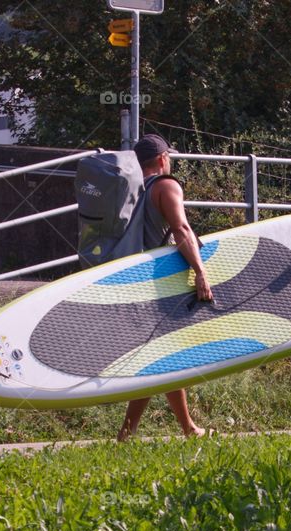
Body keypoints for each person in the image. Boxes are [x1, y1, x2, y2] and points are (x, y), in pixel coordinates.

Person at [116, 134, 214, 441]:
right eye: (168, 156)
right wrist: (200, 271)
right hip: (157, 282)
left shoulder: (129, 190)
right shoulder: (165, 185)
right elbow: (181, 229)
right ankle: (183, 429)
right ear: (161, 159)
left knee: (159, 356)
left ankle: (140, 431)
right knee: (165, 356)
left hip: (129, 278)